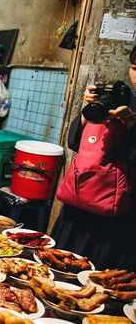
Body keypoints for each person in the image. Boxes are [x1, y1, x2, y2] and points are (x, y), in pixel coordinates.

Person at [50, 46, 136, 271]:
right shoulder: (118, 99)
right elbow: (75, 143)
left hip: (116, 216)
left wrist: (129, 123)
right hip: (81, 203)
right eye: (135, 68)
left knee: (99, 280)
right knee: (61, 269)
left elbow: (129, 155)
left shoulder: (128, 110)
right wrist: (89, 111)